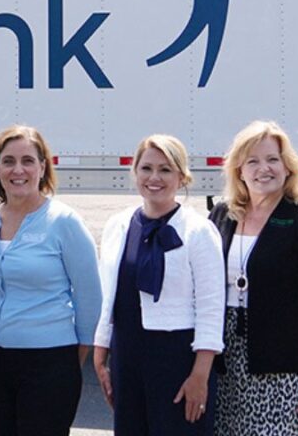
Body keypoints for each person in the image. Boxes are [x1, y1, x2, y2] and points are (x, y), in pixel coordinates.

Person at [0, 125, 102, 436]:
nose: (18, 170)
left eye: (28, 161)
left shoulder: (64, 222)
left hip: (48, 361)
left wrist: (71, 361)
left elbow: (90, 298)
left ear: (42, 167)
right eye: (8, 161)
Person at [208, 121, 298, 435]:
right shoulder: (222, 216)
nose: (263, 169)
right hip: (223, 367)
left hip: (282, 374)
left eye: (272, 160)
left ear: (288, 167)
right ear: (239, 170)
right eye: (252, 161)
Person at [93, 134, 225, 436]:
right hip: (127, 355)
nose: (154, 177)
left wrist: (200, 374)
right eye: (146, 168)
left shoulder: (198, 231)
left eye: (165, 170)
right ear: (135, 172)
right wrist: (101, 353)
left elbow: (211, 308)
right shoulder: (118, 225)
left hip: (176, 359)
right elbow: (109, 295)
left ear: (182, 176)